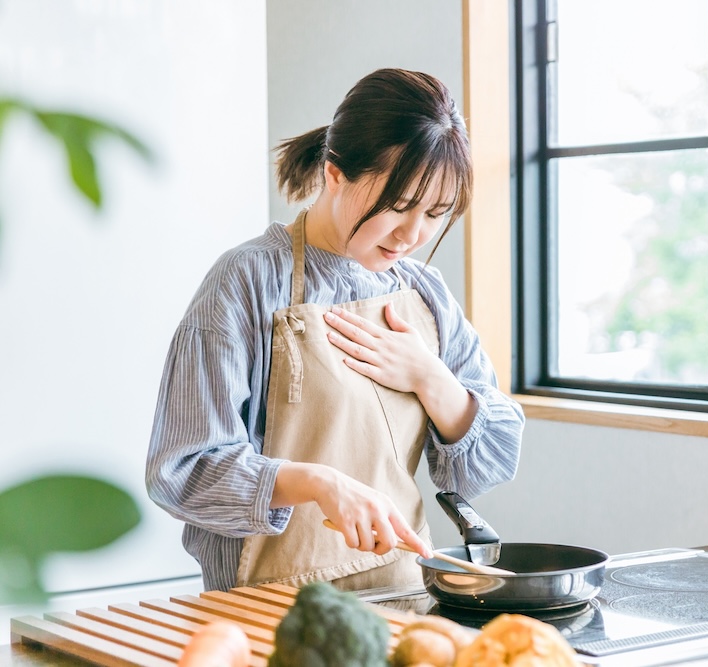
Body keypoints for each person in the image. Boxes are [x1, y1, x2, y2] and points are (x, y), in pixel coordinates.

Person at [145, 68, 524, 593]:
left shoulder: (425, 294)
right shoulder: (248, 281)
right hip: (270, 611)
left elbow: (489, 463)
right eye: (399, 205)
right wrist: (316, 483)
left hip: (404, 594)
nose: (413, 235)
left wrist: (429, 377)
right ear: (334, 174)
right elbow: (183, 471)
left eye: (436, 213)